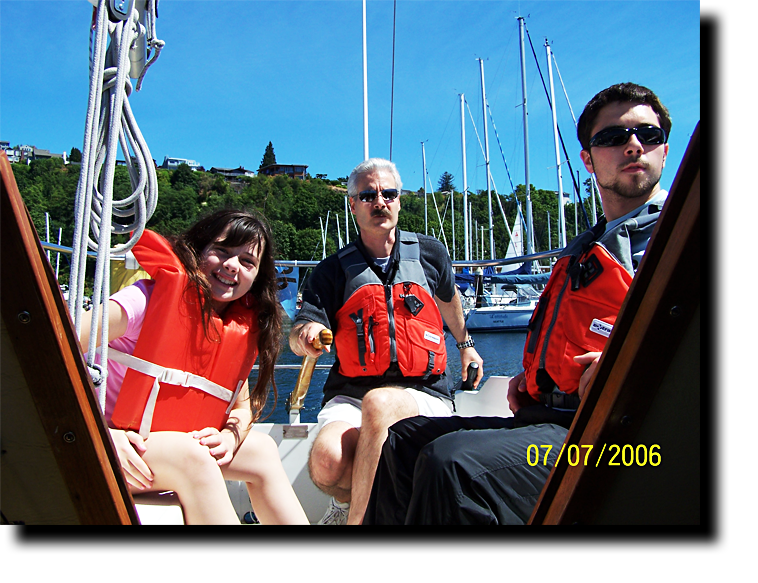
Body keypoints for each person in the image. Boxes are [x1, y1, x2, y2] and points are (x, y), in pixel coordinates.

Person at [362, 82, 672, 524]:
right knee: (405, 438)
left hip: (630, 445)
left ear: (664, 149)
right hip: (555, 420)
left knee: (452, 465)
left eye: (649, 135)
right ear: (587, 158)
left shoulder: (681, 238)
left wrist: (627, 365)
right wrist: (534, 380)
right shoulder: (590, 245)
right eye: (613, 137)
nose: (634, 145)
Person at [80, 209, 308, 525]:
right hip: (109, 445)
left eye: (247, 262)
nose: (232, 265)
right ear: (197, 249)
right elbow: (56, 343)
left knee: (263, 450)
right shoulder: (144, 300)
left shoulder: (234, 329)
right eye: (222, 251)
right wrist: (97, 434)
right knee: (194, 458)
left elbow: (242, 407)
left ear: (257, 277)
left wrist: (230, 436)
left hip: (162, 447)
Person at [289, 158, 483, 525]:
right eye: (367, 195)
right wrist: (307, 337)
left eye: (388, 193)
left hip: (425, 392)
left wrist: (465, 343)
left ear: (398, 200)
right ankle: (350, 502)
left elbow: (448, 300)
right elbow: (303, 328)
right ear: (352, 204)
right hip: (352, 393)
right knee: (328, 462)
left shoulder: (430, 253)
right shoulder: (332, 271)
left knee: (381, 403)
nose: (379, 201)